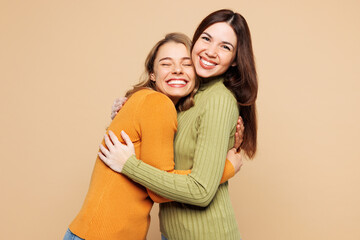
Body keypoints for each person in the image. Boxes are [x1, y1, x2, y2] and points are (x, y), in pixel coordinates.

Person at [64, 33, 243, 240]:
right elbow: (159, 192)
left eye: (186, 64)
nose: (177, 70)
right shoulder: (158, 105)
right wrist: (227, 167)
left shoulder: (149, 102)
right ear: (152, 74)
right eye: (166, 64)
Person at [100, 9, 258, 240]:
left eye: (225, 47)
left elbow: (201, 191)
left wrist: (128, 165)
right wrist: (127, 109)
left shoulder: (218, 100)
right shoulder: (187, 97)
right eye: (206, 38)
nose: (211, 51)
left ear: (235, 60)